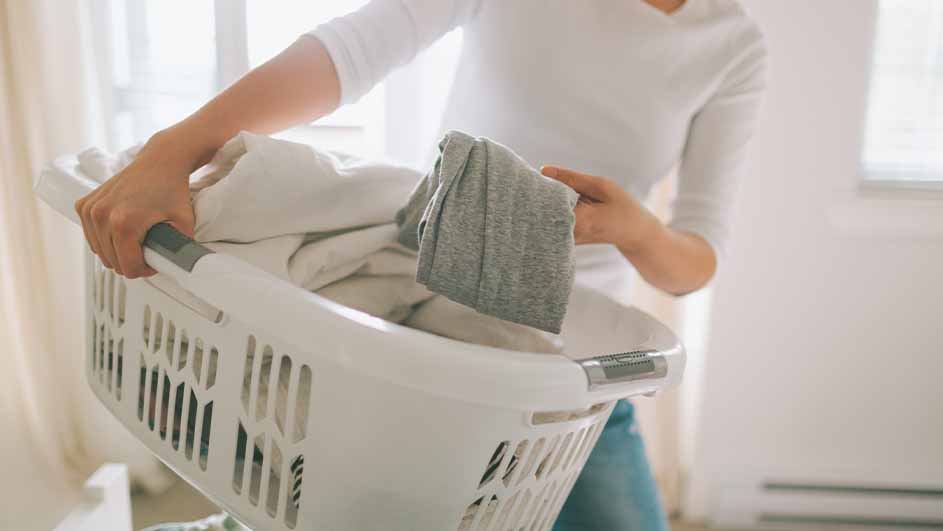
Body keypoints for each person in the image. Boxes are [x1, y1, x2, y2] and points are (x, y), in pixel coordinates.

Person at [75, 0, 767, 528]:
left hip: (570, 376)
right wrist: (173, 150)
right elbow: (349, 52)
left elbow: (694, 258)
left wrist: (636, 229)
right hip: (417, 330)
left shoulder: (730, 47)